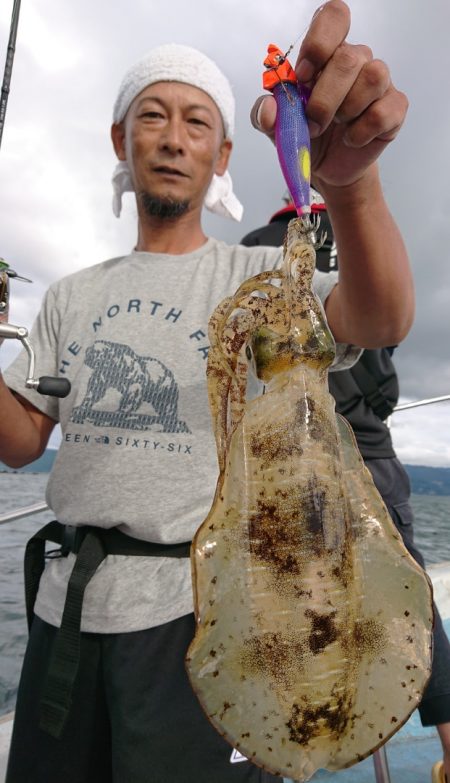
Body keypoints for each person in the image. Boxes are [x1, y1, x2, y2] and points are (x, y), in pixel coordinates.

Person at [0, 1, 417, 780]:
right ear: (120, 139)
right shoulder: (67, 295)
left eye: (196, 122)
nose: (172, 136)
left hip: (200, 615)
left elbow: (380, 313)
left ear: (224, 153)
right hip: (67, 610)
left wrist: (351, 187)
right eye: (151, 115)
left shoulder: (255, 278)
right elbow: (19, 439)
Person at [241, 195, 450, 783]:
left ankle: (282, 739)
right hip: (368, 446)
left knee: (284, 592)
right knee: (410, 594)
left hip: (282, 452)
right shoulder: (365, 246)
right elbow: (387, 336)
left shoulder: (253, 248)